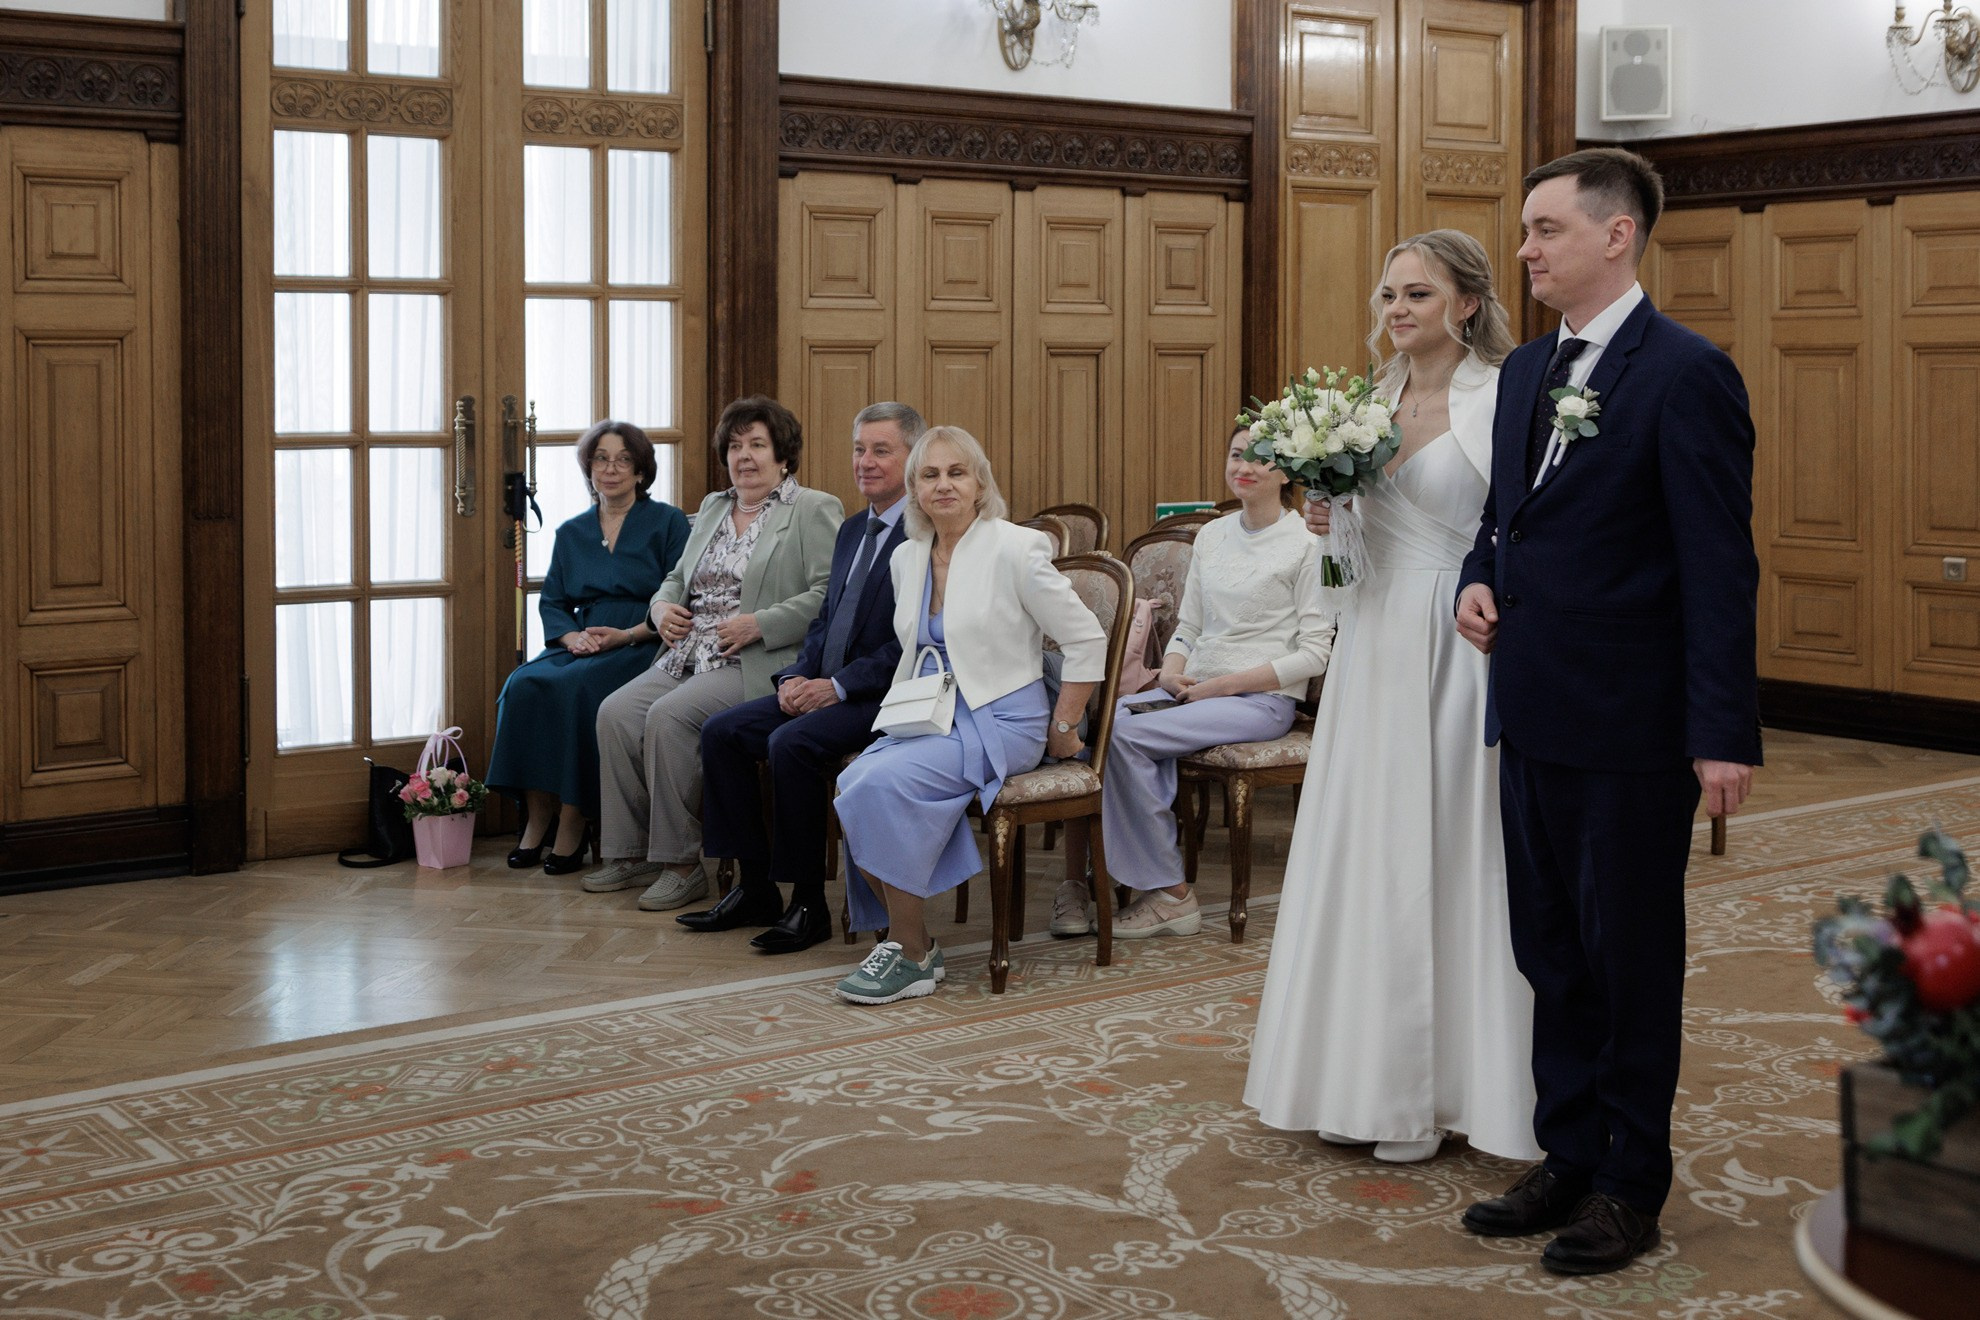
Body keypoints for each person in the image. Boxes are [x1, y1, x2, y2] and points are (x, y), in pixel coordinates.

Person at [1454, 149, 1760, 1275]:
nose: (1525, 249)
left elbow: (1719, 566)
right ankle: (1569, 1153)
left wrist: (1720, 732)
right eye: (1527, 230)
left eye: (1546, 230)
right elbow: (1504, 517)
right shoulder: (1529, 372)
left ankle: (1632, 1184)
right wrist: (1475, 579)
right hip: (1532, 707)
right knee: (1550, 951)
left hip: (1634, 722)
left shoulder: (1687, 373)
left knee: (1630, 961)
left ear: (1617, 234)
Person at [1244, 230, 1538, 1167]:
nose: (1397, 309)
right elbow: (1345, 566)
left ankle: (1452, 1089)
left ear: (1466, 303)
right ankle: (1365, 1080)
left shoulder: (1506, 396)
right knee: (1369, 846)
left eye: (1418, 293)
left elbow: (1525, 528)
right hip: (1372, 644)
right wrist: (1328, 522)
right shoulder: (1360, 407)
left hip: (1459, 642)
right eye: (1388, 294)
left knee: (1453, 845)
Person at [830, 426, 1106, 1005]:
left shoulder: (1016, 548)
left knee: (878, 783)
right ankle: (913, 944)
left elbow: (1086, 639)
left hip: (1002, 720)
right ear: (915, 489)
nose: (944, 485)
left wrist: (1064, 725)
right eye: (930, 475)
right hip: (930, 715)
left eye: (957, 473)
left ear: (981, 484)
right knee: (851, 783)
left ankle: (910, 952)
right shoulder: (907, 557)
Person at [1060, 425, 1333, 940]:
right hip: (1192, 692)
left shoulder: (1308, 543)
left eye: (1261, 458)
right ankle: (1107, 877)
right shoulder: (1212, 535)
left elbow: (1314, 654)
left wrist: (1219, 686)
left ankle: (1171, 893)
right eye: (1236, 454)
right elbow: (1189, 626)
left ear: (1288, 472)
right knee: (1098, 723)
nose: (1244, 467)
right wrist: (1171, 670)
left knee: (1127, 734)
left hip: (1260, 700)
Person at [686, 402, 927, 954]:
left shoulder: (925, 535)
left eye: (881, 450)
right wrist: (795, 676)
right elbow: (824, 621)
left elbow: (912, 643)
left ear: (914, 458)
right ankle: (755, 888)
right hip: (824, 685)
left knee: (789, 745)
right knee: (722, 732)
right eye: (859, 450)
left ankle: (808, 903)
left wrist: (837, 687)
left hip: (884, 696)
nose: (865, 462)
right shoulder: (852, 530)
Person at [586, 397, 842, 913]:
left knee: (669, 717)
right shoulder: (714, 507)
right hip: (686, 652)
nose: (744, 456)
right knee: (615, 712)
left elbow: (829, 593)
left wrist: (761, 622)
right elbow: (677, 578)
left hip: (755, 658)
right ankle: (631, 852)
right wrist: (660, 608)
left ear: (783, 455)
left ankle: (682, 867)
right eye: (735, 446)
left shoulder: (813, 508)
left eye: (757, 445)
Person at [485, 421, 689, 873]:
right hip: (582, 639)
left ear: (640, 471)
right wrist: (571, 637)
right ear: (589, 468)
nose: (610, 469)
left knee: (578, 689)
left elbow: (681, 597)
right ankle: (538, 815)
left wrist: (629, 633)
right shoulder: (571, 531)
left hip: (642, 639)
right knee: (523, 685)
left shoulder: (668, 522)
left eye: (623, 460)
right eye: (601, 459)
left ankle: (574, 818)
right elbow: (553, 601)